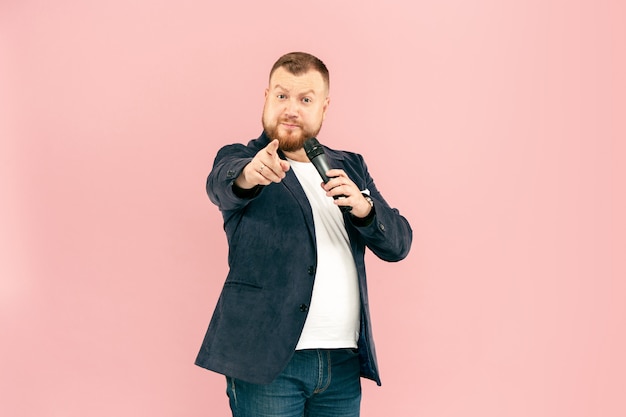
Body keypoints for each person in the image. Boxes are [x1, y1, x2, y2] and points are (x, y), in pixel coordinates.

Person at [195, 51, 412, 417]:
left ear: (324, 108)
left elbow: (398, 245)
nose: (291, 108)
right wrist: (250, 173)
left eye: (305, 99)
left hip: (342, 361)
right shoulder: (242, 157)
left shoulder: (350, 166)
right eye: (282, 96)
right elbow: (223, 183)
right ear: (265, 98)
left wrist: (365, 209)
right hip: (268, 361)